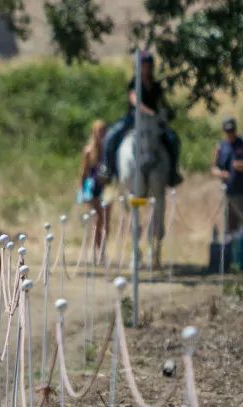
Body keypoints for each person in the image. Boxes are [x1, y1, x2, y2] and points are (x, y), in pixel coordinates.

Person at [101, 51, 183, 187]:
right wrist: (148, 111)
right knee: (111, 136)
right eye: (144, 65)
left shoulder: (156, 86)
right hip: (134, 119)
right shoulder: (134, 83)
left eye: (149, 65)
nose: (147, 68)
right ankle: (106, 170)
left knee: (173, 139)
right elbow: (135, 101)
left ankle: (173, 173)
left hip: (154, 121)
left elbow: (163, 102)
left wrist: (168, 111)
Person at [211, 117, 243, 233]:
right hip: (230, 194)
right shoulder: (220, 147)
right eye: (228, 131)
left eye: (232, 130)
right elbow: (213, 168)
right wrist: (221, 173)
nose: (230, 133)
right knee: (230, 228)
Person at [78, 120, 110, 260]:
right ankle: (97, 249)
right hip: (94, 188)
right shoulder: (88, 151)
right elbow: (83, 172)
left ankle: (102, 248)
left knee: (106, 220)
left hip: (106, 188)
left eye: (104, 131)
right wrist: (82, 192)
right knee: (97, 220)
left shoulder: (109, 150)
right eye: (99, 131)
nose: (102, 134)